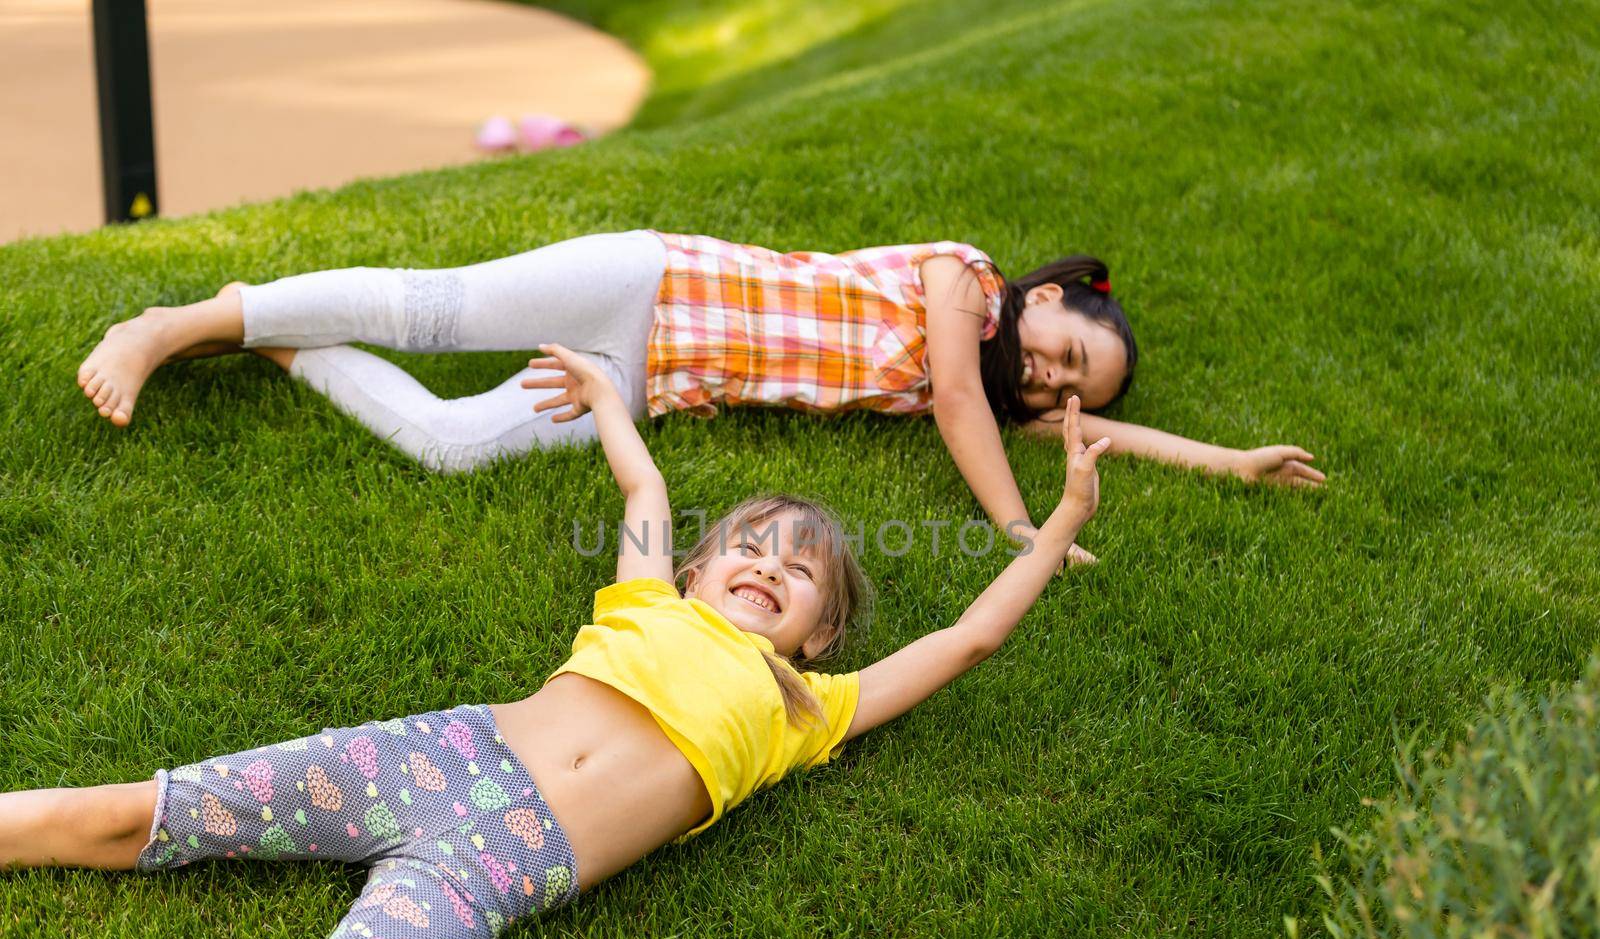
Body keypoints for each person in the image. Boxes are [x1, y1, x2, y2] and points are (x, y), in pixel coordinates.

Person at [15, 346, 1112, 939]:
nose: (771, 565)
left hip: (504, 868)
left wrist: (1057, 520)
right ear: (695, 569)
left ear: (818, 634)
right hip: (438, 753)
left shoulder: (805, 707)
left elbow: (966, 639)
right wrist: (600, 397)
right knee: (141, 813)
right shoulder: (643, 596)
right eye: (752, 544)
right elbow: (644, 489)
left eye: (803, 570)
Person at [75, 230, 1321, 567]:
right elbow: (954, 399)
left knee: (452, 445)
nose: (1051, 381)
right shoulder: (966, 285)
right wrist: (1012, 528)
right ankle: (174, 324)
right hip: (649, 280)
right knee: (431, 309)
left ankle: (268, 332)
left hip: (647, 376)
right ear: (1047, 294)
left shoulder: (1006, 393)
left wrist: (1230, 462)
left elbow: (1101, 433)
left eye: (1066, 385)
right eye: (1064, 348)